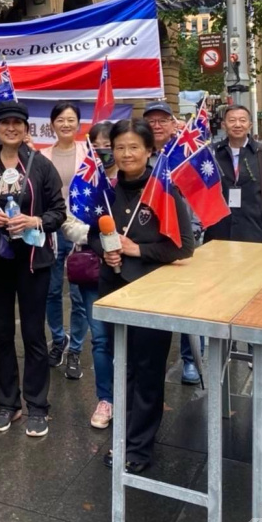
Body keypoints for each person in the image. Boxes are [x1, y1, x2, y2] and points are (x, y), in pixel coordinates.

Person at [88, 119, 194, 473]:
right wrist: (106, 250)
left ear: (150, 150)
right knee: (124, 367)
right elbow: (92, 234)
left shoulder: (164, 189)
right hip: (113, 292)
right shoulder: (105, 190)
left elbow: (182, 247)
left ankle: (139, 448)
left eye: (134, 147)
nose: (127, 154)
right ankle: (126, 435)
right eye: (120, 147)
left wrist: (137, 250)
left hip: (153, 294)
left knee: (147, 370)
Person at [0, 100, 66, 438]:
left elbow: (58, 210)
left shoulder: (40, 165)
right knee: (1, 334)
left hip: (33, 262)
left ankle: (38, 406)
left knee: (33, 334)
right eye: (5, 123)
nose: (11, 128)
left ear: (27, 129)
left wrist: (37, 219)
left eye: (18, 123)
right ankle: (8, 403)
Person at [61, 121, 116, 429]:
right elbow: (68, 224)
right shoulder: (84, 182)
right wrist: (96, 234)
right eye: (99, 144)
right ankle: (105, 398)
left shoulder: (135, 178)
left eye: (112, 143)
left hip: (132, 273)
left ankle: (131, 394)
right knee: (101, 339)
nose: (106, 150)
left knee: (132, 339)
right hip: (95, 272)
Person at [143, 101, 201, 385]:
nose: (157, 125)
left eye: (162, 120)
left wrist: (196, 227)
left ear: (172, 123)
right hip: (152, 239)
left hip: (185, 238)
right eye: (151, 120)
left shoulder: (186, 154)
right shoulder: (139, 154)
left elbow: (198, 193)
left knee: (190, 303)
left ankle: (191, 360)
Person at [40, 101, 87, 374]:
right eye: (60, 120)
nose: (66, 124)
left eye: (71, 119)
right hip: (53, 228)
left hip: (81, 230)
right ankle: (59, 340)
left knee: (80, 295)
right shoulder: (42, 156)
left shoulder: (89, 153)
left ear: (78, 124)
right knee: (52, 290)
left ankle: (77, 349)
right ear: (52, 124)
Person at [203, 105, 262, 246]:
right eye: (232, 120)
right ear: (223, 125)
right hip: (218, 232)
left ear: (250, 125)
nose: (237, 125)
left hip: (254, 230)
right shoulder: (212, 153)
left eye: (242, 120)